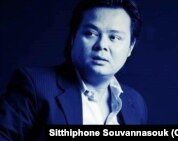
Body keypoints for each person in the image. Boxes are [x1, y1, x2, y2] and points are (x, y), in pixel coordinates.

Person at [0, 0, 147, 140]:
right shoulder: (34, 86)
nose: (102, 45)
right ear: (73, 37)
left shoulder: (135, 103)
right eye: (91, 33)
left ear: (130, 47)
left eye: (114, 37)